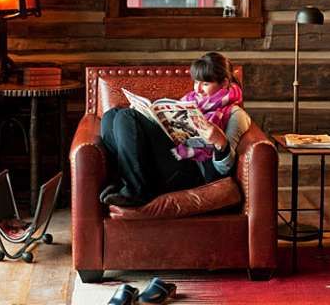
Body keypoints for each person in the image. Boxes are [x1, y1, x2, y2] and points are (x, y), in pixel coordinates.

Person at [99, 52, 251, 207]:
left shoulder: (235, 115)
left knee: (127, 116)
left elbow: (224, 169)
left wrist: (220, 142)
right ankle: (122, 181)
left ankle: (137, 191)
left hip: (193, 172)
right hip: (173, 156)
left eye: (205, 84)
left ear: (224, 83)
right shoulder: (190, 101)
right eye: (196, 82)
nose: (198, 89)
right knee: (112, 115)